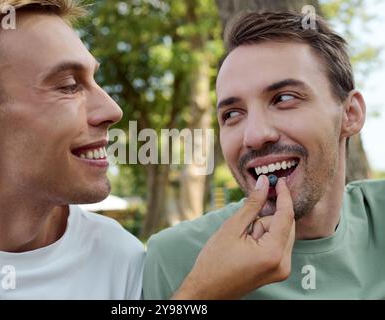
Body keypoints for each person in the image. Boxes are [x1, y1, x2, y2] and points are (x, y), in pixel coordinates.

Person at [0, 0, 295, 299]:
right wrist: (200, 295)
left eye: (94, 80)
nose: (112, 110)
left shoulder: (120, 260)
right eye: (67, 86)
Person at [142, 11, 385, 300]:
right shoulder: (174, 256)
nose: (254, 136)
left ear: (350, 114)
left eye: (284, 98)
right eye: (232, 114)